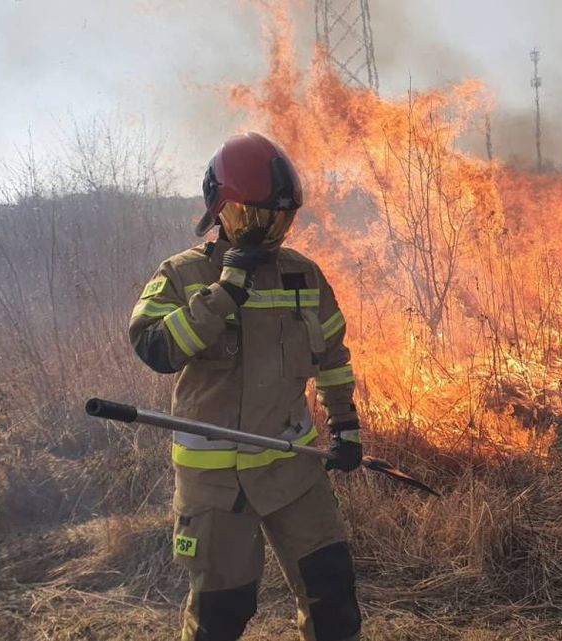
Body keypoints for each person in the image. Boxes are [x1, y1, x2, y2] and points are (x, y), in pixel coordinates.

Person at [129, 132, 363, 641]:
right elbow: (155, 350)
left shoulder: (303, 275)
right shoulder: (182, 274)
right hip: (216, 485)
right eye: (252, 218)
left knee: (333, 595)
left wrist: (345, 427)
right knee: (222, 614)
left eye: (277, 220)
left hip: (293, 470)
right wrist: (225, 292)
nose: (265, 234)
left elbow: (332, 356)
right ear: (220, 210)